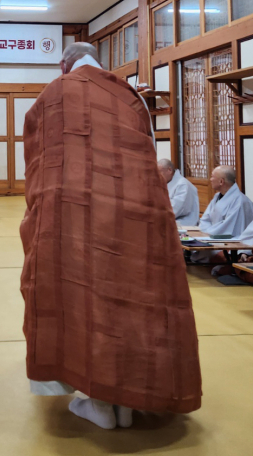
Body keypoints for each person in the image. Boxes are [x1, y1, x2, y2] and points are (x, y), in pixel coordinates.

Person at [20, 42, 201, 430]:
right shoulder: (129, 93)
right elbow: (147, 153)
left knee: (81, 297)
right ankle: (128, 398)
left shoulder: (54, 93)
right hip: (135, 211)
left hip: (71, 213)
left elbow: (40, 161)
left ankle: (97, 399)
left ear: (63, 64)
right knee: (135, 298)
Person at [199, 166, 253, 236]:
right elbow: (205, 219)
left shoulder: (240, 202)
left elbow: (228, 228)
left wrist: (208, 232)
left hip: (233, 243)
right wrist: (206, 232)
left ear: (221, 181)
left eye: (212, 177)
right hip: (211, 236)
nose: (210, 179)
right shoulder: (217, 196)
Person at [158, 159, 200, 226]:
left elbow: (175, 209)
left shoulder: (182, 184)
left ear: (169, 170)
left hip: (183, 223)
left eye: (159, 172)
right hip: (170, 221)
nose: (157, 176)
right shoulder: (166, 183)